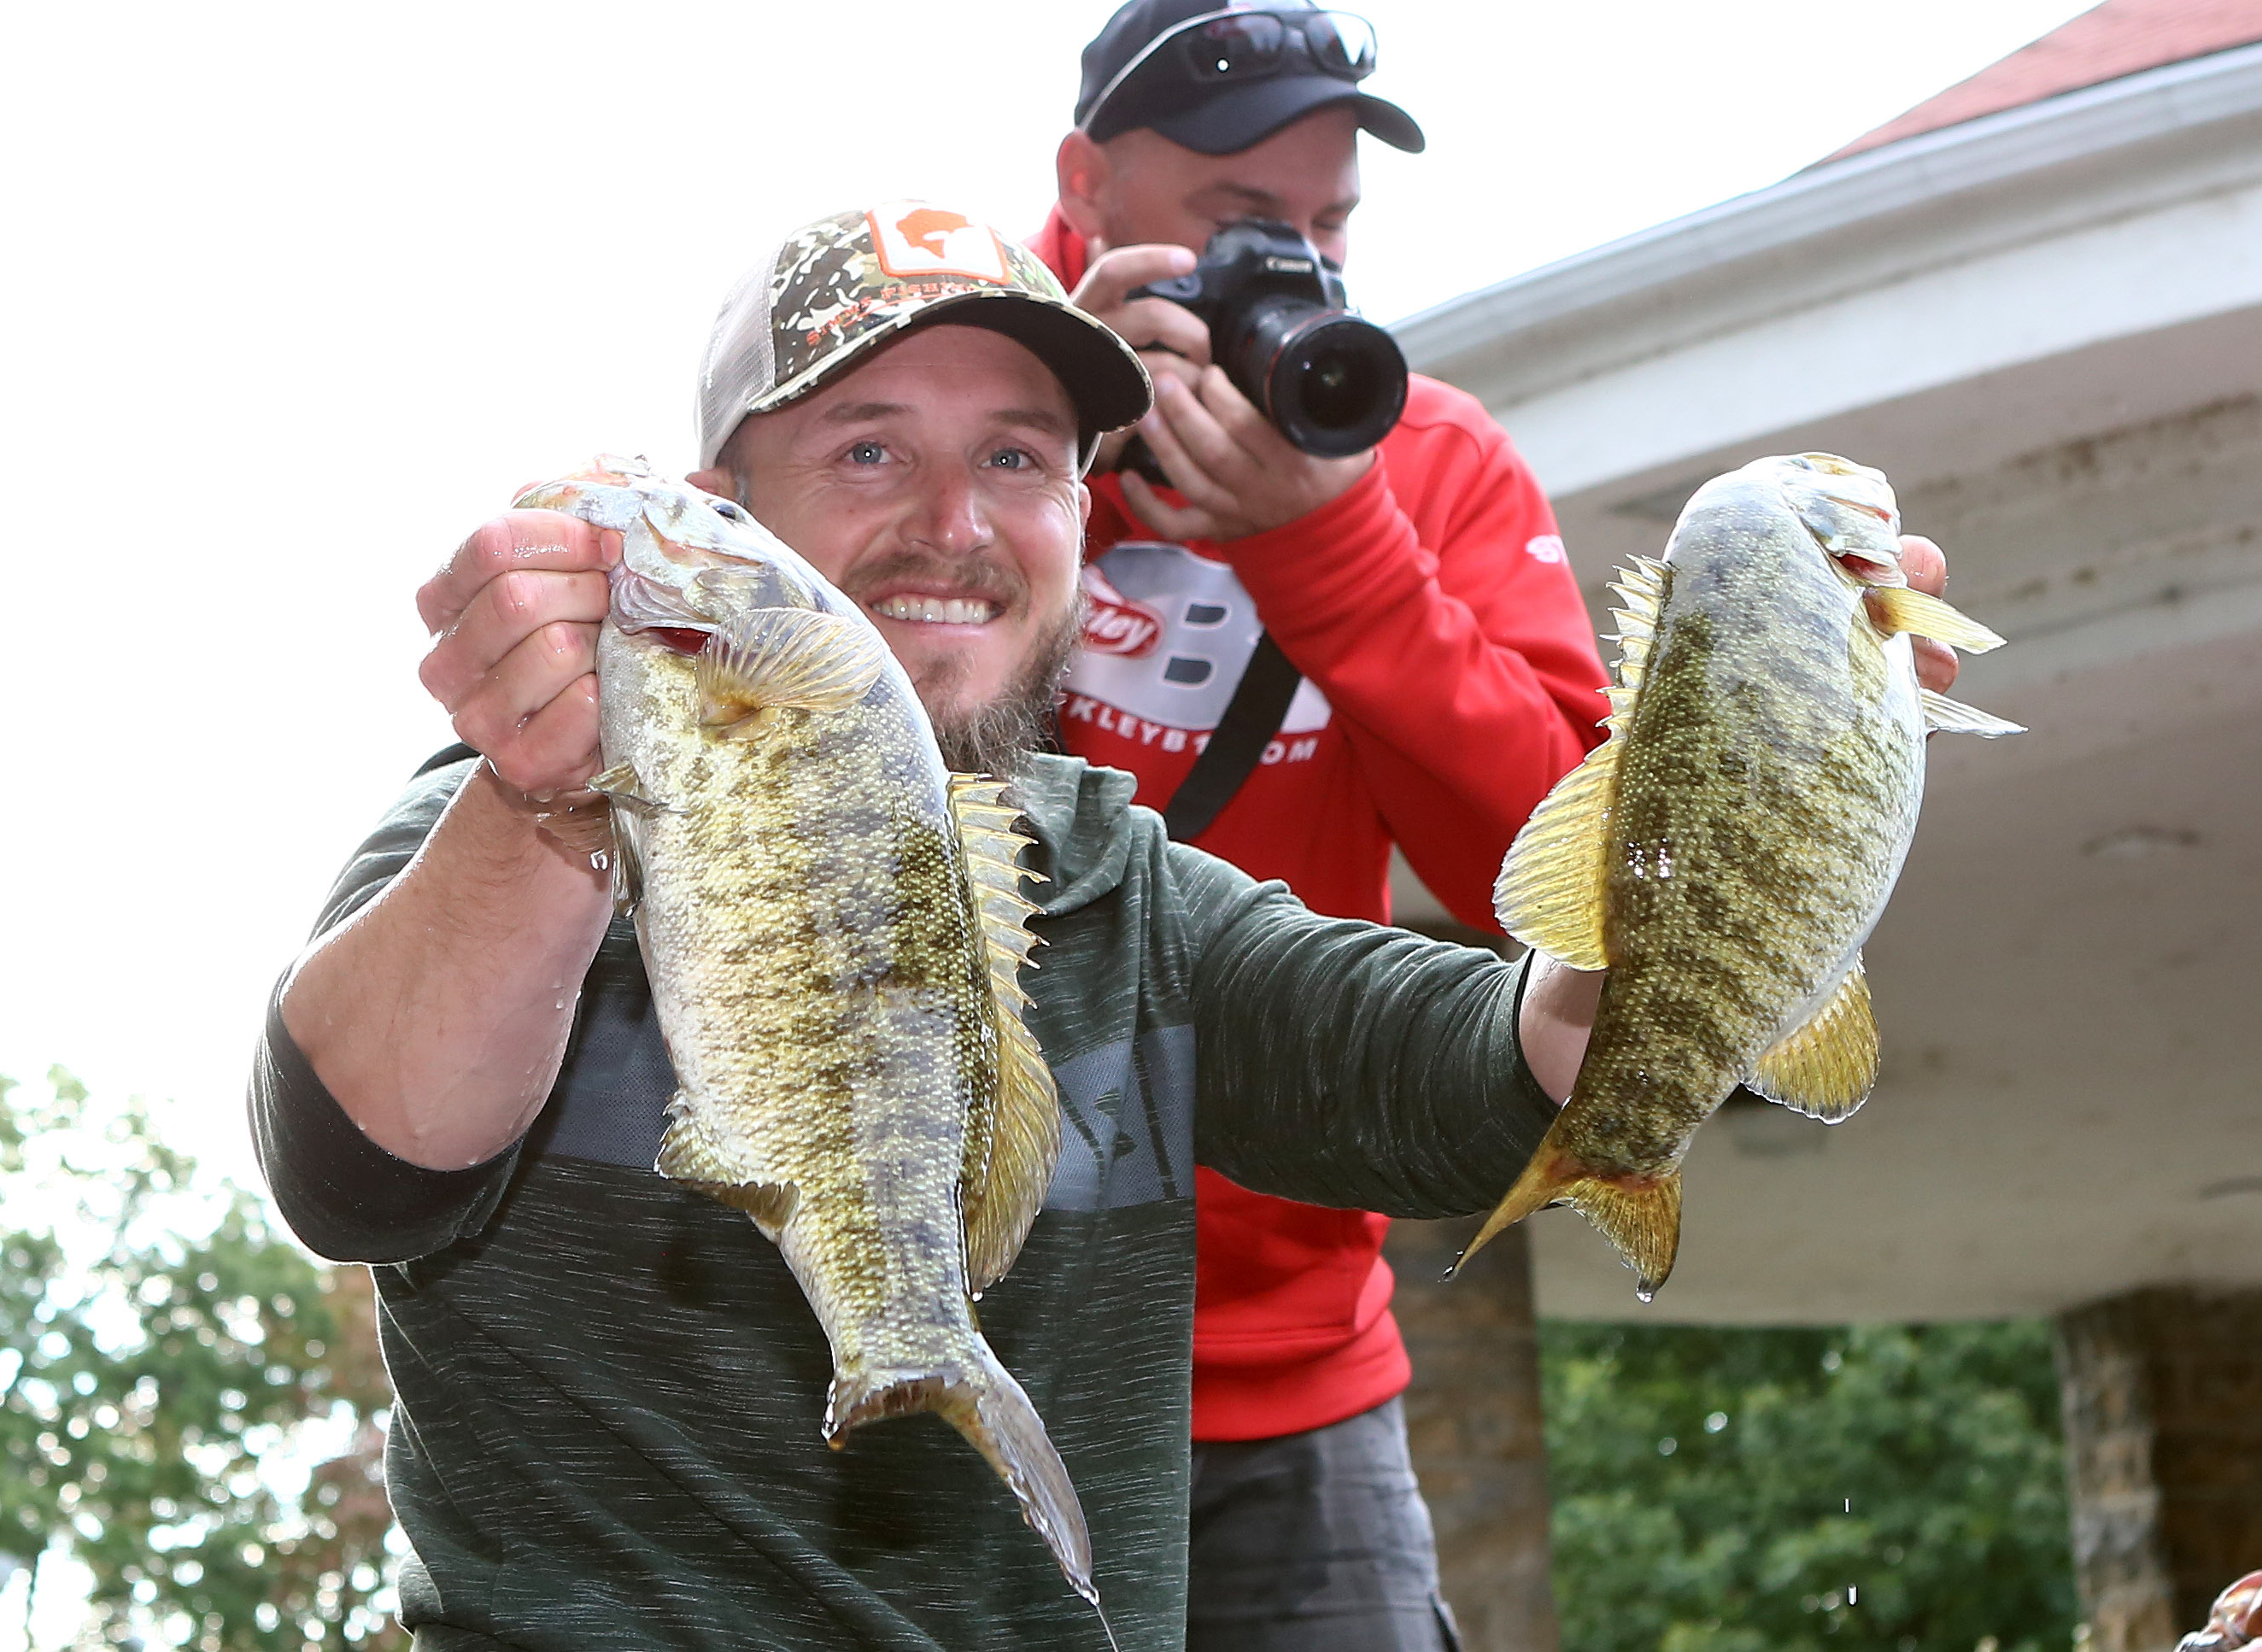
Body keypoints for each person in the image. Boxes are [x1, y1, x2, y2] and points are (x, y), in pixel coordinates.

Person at [249, 202, 1963, 1650]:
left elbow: (1468, 1071)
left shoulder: (1124, 893)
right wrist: (551, 801)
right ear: (722, 505)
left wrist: (1725, 805)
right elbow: (350, 1164)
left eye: (1018, 459)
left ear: (1084, 518)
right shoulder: (520, 816)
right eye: (869, 448)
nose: (953, 521)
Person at [1025, 5, 1609, 1643]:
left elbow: (1565, 880)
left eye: (1326, 221)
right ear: (1085, 180)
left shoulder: (1420, 459)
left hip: (1290, 1373)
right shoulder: (951, 394)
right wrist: (1040, 440)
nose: (1287, 262)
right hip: (948, 1336)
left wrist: (1336, 552)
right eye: (1232, 218)